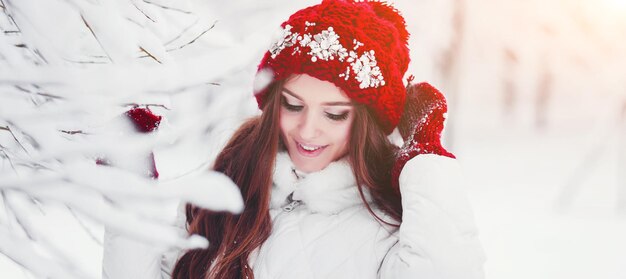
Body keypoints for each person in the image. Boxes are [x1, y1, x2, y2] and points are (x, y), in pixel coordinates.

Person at [102, 0, 485, 278]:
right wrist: (128, 183)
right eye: (292, 105)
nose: (307, 130)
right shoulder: (229, 186)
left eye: (334, 114)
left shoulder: (388, 229)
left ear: (367, 123)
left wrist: (425, 158)